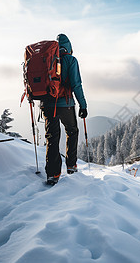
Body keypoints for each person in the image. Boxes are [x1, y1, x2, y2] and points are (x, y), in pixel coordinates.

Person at [42, 33, 87, 185]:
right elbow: (76, 85)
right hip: (66, 104)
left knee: (52, 137)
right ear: (69, 47)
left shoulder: (47, 59)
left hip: (47, 105)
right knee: (72, 131)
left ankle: (52, 174)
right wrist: (83, 105)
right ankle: (71, 166)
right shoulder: (71, 60)